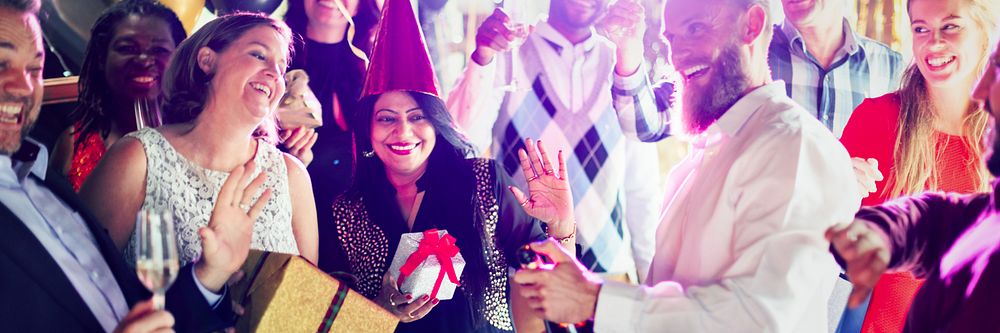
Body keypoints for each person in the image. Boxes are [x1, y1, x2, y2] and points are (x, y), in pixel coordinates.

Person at [512, 0, 861, 331]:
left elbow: (759, 318)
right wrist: (565, 240)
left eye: (696, 28)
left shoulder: (793, 144)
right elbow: (665, 309)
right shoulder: (700, 159)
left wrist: (595, 300)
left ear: (751, 25)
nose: (677, 54)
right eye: (671, 38)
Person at [0, 0, 261, 331]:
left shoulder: (39, 179)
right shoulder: (79, 145)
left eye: (34, 69)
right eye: (0, 63)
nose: (24, 86)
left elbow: (130, 309)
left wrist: (207, 277)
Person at [328, 1, 575, 332]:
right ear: (367, 130)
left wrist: (561, 227)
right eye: (386, 118)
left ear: (437, 125)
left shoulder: (483, 181)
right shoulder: (348, 211)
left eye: (418, 117)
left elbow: (550, 280)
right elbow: (333, 317)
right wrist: (379, 309)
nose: (403, 132)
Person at [446, 0, 661, 285]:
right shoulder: (508, 52)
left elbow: (641, 186)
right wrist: (483, 57)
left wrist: (650, 279)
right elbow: (461, 142)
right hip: (522, 270)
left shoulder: (623, 61)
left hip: (607, 273)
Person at [79, 13, 319, 266]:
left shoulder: (292, 177)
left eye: (281, 68)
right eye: (259, 55)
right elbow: (80, 275)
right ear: (207, 60)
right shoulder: (138, 157)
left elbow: (308, 297)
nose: (274, 73)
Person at [839, 0, 1000, 331]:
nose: (933, 42)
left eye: (951, 26)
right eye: (921, 29)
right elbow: (822, 244)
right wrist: (835, 193)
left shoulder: (994, 143)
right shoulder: (876, 121)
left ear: (985, 31)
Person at [48, 0, 186, 192]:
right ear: (101, 59)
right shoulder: (73, 144)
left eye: (159, 50)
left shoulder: (196, 142)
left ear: (179, 60)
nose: (144, 60)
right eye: (127, 48)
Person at [283, 0, 378, 272]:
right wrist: (292, 162)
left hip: (369, 222)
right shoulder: (276, 62)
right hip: (303, 221)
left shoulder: (376, 63)